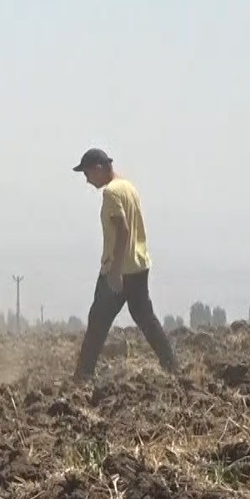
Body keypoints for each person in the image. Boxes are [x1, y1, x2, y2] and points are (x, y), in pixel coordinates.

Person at [71, 147, 178, 379]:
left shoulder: (111, 193)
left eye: (87, 174)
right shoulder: (128, 187)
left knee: (98, 321)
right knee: (145, 318)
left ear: (98, 169)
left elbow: (123, 230)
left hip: (120, 268)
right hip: (139, 264)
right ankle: (172, 366)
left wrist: (115, 271)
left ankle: (82, 376)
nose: (87, 180)